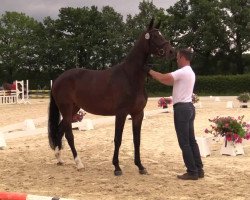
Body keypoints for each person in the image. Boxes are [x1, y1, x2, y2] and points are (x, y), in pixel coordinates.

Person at [146, 48, 204, 180]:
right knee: (191, 141)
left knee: (184, 143)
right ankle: (199, 169)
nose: (176, 59)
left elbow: (163, 77)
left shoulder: (182, 72)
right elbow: (168, 81)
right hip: (189, 107)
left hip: (182, 110)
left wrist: (148, 70)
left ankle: (192, 171)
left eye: (178, 57)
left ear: (183, 57)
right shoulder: (190, 72)